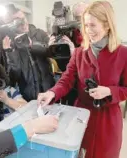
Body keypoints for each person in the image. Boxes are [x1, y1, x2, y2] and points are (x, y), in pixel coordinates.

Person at [37, 1, 127, 158]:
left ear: (107, 25)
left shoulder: (123, 54)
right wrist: (52, 93)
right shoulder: (79, 53)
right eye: (85, 25)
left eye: (93, 25)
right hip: (81, 117)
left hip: (108, 121)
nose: (88, 30)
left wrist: (109, 91)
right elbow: (66, 80)